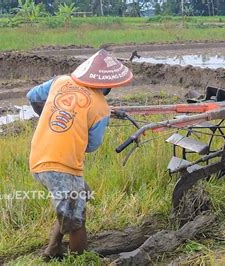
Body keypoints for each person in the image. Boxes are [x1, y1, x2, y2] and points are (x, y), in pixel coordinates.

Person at [26, 49, 133, 260]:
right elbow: (92, 145)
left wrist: (52, 119)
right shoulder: (101, 107)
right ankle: (80, 260)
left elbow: (32, 96)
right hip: (62, 166)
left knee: (77, 198)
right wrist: (77, 130)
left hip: (38, 158)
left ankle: (52, 249)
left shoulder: (61, 81)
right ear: (108, 85)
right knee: (77, 221)